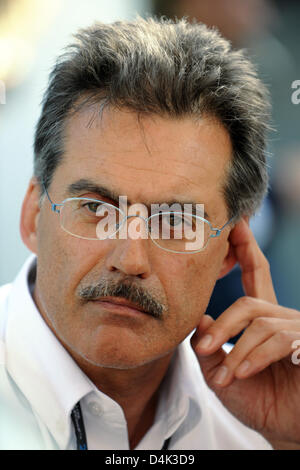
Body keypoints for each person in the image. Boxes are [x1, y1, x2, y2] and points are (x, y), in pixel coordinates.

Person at [1, 17, 300, 451]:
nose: (130, 259)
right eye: (95, 208)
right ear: (33, 215)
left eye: (176, 221)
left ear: (229, 252)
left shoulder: (264, 423)